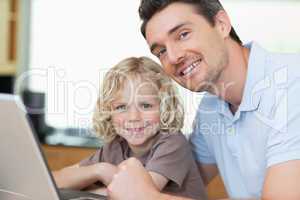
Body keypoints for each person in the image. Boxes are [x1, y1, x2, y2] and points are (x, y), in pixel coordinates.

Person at [107, 0, 300, 200]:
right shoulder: (211, 106)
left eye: (183, 35)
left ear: (221, 24)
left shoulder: (293, 85)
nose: (173, 57)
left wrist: (148, 197)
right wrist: (101, 172)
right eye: (161, 51)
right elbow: (175, 182)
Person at [52, 56, 207, 200]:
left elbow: (137, 194)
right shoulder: (116, 146)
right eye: (121, 107)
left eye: (146, 105)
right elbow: (56, 179)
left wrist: (89, 186)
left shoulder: (172, 143)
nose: (133, 117)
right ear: (108, 111)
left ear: (165, 107)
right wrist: (99, 170)